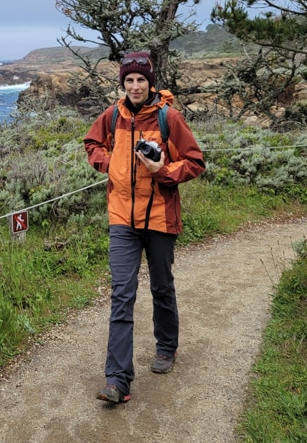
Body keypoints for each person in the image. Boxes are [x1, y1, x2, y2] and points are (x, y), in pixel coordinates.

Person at [84, 52, 205, 404]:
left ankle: (166, 347)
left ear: (150, 83)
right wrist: (111, 164)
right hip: (121, 216)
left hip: (159, 218)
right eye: (129, 81)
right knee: (122, 294)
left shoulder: (170, 117)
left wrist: (162, 172)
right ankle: (117, 379)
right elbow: (91, 144)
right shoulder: (113, 115)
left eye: (140, 80)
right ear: (122, 84)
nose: (135, 86)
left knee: (161, 286)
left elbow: (195, 162)